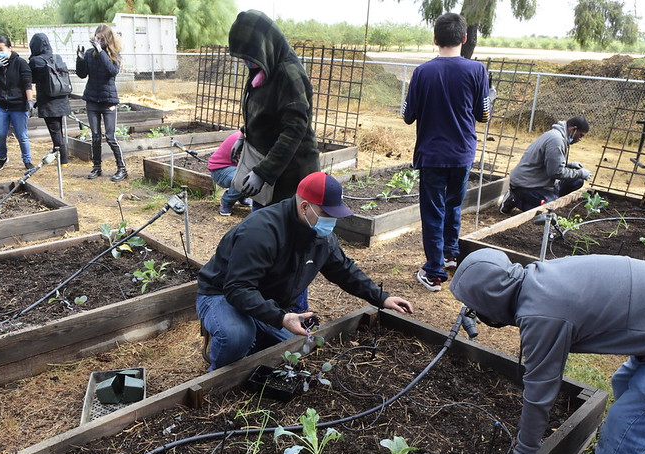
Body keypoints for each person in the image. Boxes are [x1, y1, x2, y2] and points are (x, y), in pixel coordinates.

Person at [449, 248, 645, 454]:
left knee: (625, 425)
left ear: (490, 300)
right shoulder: (538, 278)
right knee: (625, 384)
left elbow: (541, 390)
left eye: (476, 307)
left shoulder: (542, 314)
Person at [197, 171, 414, 371]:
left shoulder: (320, 235)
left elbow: (343, 270)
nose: (331, 220)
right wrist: (280, 317)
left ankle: (251, 344)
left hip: (265, 299)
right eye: (325, 213)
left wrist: (381, 298)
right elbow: (237, 289)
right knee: (237, 336)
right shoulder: (261, 232)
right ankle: (218, 374)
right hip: (222, 294)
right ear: (304, 207)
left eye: (334, 213)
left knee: (300, 349)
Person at [402, 12, 490, 293]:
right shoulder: (477, 70)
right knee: (453, 205)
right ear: (464, 39)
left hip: (432, 155)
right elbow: (484, 114)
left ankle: (434, 271)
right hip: (462, 153)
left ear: (435, 39)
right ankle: (451, 254)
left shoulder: (422, 72)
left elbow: (407, 115)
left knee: (433, 211)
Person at [227, 9, 320, 209]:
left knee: (278, 234)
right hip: (270, 173)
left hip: (291, 177)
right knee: (264, 230)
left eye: (249, 56)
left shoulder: (289, 75)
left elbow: (294, 130)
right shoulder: (263, 67)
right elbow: (264, 114)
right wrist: (243, 136)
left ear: (264, 45)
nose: (246, 62)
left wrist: (263, 173)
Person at [499, 116, 592, 214]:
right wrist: (580, 172)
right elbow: (555, 172)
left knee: (576, 181)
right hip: (526, 184)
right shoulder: (556, 140)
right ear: (573, 129)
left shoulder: (557, 135)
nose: (580, 139)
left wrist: (569, 165)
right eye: (580, 135)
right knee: (549, 208)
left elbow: (547, 162)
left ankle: (547, 196)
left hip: (539, 180)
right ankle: (515, 198)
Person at [76, 24, 127, 182]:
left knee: (110, 136)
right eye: (96, 38)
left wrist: (100, 51)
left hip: (108, 101)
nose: (97, 41)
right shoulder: (91, 53)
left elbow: (112, 71)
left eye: (101, 39)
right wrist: (80, 58)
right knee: (95, 136)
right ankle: (96, 167)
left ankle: (122, 168)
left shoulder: (114, 55)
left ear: (108, 40)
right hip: (92, 99)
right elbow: (82, 74)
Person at [0, 35, 34, 171]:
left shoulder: (20, 63)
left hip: (18, 105)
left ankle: (27, 161)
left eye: (1, 49)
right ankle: (2, 158)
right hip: (1, 105)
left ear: (9, 48)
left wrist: (30, 101)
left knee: (21, 135)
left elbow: (27, 83)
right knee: (0, 135)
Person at [28, 33, 71, 166]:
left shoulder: (36, 61)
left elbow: (32, 79)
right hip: (62, 97)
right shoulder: (57, 57)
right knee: (59, 129)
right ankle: (57, 150)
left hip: (48, 100)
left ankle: (63, 159)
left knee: (55, 130)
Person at [208, 131, 252, 216]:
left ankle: (241, 196)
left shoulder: (252, 134)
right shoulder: (248, 139)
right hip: (220, 169)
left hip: (234, 167)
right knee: (244, 180)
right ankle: (226, 201)